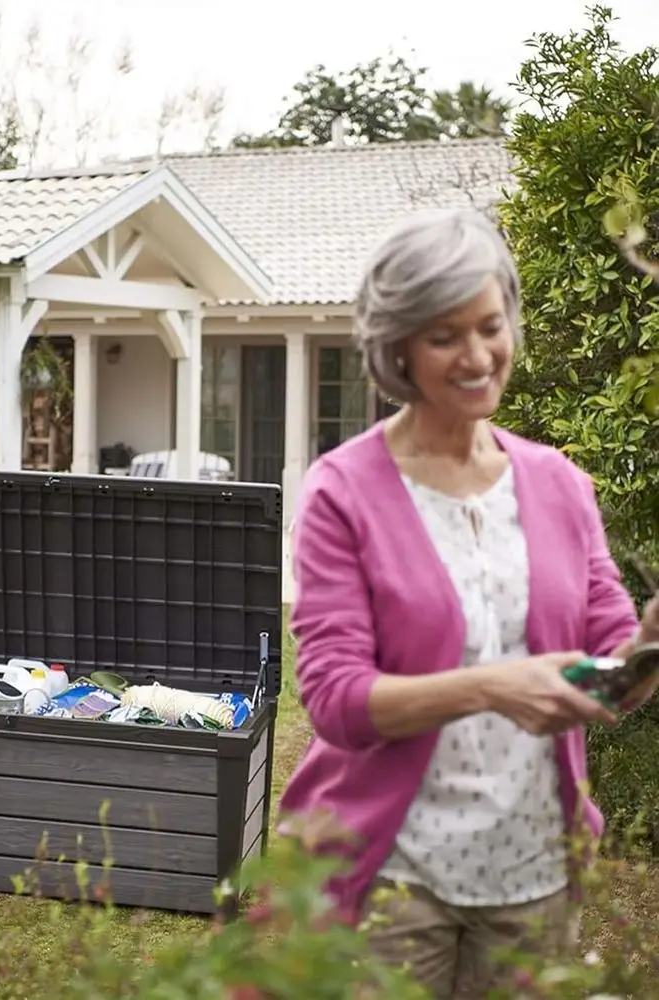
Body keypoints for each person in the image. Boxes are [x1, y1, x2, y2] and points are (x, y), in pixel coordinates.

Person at [278, 208, 659, 998]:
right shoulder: (342, 493)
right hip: (391, 874)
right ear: (399, 350)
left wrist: (647, 648)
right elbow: (335, 702)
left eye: (491, 326)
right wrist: (492, 686)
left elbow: (611, 674)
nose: (478, 354)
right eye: (446, 335)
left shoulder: (557, 483)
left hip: (533, 875)